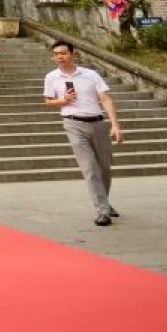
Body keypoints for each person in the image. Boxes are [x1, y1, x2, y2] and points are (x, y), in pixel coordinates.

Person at [43, 41, 123, 226]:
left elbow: (105, 99)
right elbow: (48, 101)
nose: (59, 57)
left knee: (104, 168)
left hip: (97, 122)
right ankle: (102, 210)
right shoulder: (51, 77)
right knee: (90, 168)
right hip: (73, 123)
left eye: (63, 53)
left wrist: (115, 125)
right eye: (56, 54)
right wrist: (62, 100)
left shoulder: (90, 75)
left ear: (72, 54)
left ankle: (105, 202)